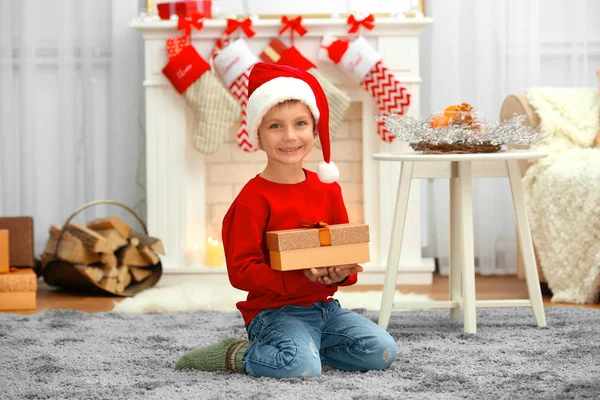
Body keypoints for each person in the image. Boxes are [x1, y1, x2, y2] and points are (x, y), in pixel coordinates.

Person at [175, 62, 397, 377]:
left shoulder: (328, 189)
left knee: (382, 350)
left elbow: (342, 254)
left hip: (324, 310)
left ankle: (308, 346)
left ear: (314, 129)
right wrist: (299, 278)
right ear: (258, 135)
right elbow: (241, 272)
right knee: (300, 366)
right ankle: (239, 353)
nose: (290, 136)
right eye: (275, 126)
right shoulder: (252, 200)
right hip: (273, 313)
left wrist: (339, 273)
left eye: (300, 124)